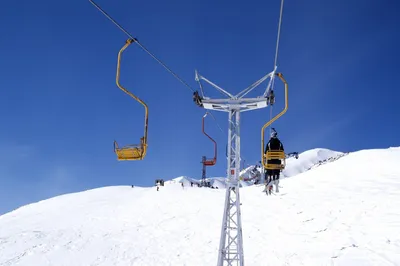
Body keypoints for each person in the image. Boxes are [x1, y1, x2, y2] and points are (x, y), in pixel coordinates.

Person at [264, 128, 284, 193]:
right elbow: (282, 151)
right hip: (277, 162)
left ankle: (269, 181)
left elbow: (265, 152)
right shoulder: (280, 143)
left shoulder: (269, 143)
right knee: (276, 171)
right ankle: (277, 184)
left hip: (270, 162)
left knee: (268, 170)